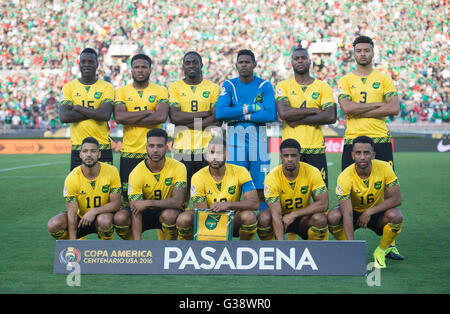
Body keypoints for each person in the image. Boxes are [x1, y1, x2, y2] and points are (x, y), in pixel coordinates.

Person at [113, 53, 169, 239]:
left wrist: (132, 116)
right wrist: (147, 111)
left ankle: (164, 247)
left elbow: (161, 116)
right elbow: (119, 118)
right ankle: (134, 248)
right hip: (130, 153)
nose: (140, 70)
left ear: (150, 69)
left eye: (143, 67)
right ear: (131, 70)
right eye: (136, 67)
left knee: (161, 200)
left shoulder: (160, 90)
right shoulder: (121, 92)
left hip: (155, 153)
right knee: (130, 203)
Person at [328, 136, 404, 268]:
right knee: (333, 216)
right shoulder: (345, 177)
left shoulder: (385, 168)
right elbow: (347, 214)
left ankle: (381, 251)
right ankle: (349, 248)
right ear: (352, 155)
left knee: (396, 216)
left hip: (377, 213)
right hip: (353, 213)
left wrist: (369, 212)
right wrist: (352, 246)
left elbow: (397, 199)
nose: (362, 157)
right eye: (358, 153)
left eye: (366, 152)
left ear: (373, 155)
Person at [215, 49, 277, 212]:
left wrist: (238, 114)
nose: (244, 65)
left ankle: (264, 228)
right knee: (232, 191)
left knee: (261, 191)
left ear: (254, 64)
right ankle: (233, 228)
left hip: (259, 147)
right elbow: (221, 113)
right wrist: (251, 108)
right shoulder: (229, 85)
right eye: (241, 62)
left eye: (247, 62)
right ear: (236, 64)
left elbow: (270, 114)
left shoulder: (264, 85)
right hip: (235, 148)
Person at [176, 137, 260, 240]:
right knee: (183, 219)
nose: (215, 157)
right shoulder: (198, 177)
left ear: (227, 156)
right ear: (207, 156)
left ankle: (243, 250)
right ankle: (191, 250)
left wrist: (228, 204)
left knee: (249, 217)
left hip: (232, 220)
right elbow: (203, 212)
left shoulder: (240, 171)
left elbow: (254, 203)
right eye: (211, 152)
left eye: (219, 153)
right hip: (207, 219)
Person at [276, 46, 336, 187]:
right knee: (290, 195)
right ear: (291, 62)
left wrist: (297, 119)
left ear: (310, 62)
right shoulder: (283, 86)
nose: (300, 61)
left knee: (321, 195)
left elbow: (330, 116)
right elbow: (284, 113)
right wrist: (314, 110)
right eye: (296, 58)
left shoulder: (323, 87)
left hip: (316, 148)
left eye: (304, 58)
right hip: (291, 151)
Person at [337, 36, 400, 171]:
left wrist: (357, 111)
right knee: (353, 187)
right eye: (359, 51)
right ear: (354, 54)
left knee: (387, 186)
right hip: (353, 139)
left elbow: (394, 108)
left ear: (373, 53)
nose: (363, 53)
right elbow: (347, 108)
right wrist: (378, 104)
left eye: (367, 50)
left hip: (380, 138)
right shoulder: (345, 80)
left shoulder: (384, 79)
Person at [113, 128, 187, 240]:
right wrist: (139, 246)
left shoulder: (178, 167)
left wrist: (148, 202)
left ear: (167, 148)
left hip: (166, 210)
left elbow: (177, 202)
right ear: (146, 148)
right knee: (120, 218)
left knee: (170, 215)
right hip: (143, 214)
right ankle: (133, 245)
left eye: (159, 146)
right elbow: (136, 210)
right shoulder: (136, 172)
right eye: (151, 146)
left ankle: (170, 246)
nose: (155, 150)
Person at [168, 51, 221, 205]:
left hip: (206, 150)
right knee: (181, 198)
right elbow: (175, 118)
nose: (191, 65)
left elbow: (217, 120)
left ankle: (207, 228)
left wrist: (186, 123)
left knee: (207, 195)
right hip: (181, 150)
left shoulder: (212, 88)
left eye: (194, 62)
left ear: (201, 65)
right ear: (183, 66)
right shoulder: (175, 87)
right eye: (188, 63)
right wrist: (203, 115)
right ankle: (182, 227)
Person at [47, 137, 121, 240]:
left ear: (99, 154)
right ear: (80, 155)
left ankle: (106, 248)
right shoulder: (71, 178)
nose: (89, 154)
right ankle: (70, 248)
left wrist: (94, 211)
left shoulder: (112, 171)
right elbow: (72, 214)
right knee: (53, 224)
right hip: (81, 219)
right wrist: (73, 243)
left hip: (101, 217)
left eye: (93, 151)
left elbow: (116, 204)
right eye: (85, 151)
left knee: (104, 220)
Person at [258, 139, 329, 241]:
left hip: (303, 218)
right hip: (281, 219)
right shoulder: (271, 177)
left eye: (293, 155)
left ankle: (315, 252)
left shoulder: (312, 171)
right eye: (286, 156)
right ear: (281, 157)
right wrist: (281, 245)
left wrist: (294, 214)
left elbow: (323, 203)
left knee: (320, 218)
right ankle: (272, 249)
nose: (290, 159)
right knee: (263, 217)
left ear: (299, 156)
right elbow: (275, 214)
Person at [59, 48, 115, 171]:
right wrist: (96, 112)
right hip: (79, 148)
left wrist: (78, 108)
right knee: (78, 189)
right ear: (79, 64)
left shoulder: (107, 87)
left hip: (102, 147)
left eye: (90, 62)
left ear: (97, 64)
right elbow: (64, 117)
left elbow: (105, 115)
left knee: (105, 188)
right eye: (83, 62)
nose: (87, 65)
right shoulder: (69, 87)